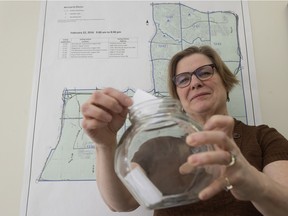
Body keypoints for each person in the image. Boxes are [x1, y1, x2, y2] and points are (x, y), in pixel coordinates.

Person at [81, 45, 288, 216]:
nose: (196, 83)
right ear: (177, 96)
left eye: (205, 72)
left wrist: (254, 183)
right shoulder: (155, 145)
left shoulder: (262, 137)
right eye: (183, 79)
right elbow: (122, 202)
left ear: (225, 82)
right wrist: (104, 145)